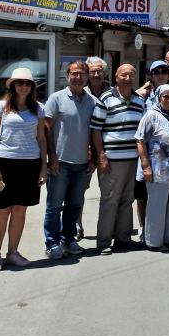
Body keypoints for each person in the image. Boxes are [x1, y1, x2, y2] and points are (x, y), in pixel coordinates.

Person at [0, 68, 48, 272]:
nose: (24, 86)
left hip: (29, 164)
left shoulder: (38, 109)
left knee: (20, 210)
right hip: (5, 164)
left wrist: (43, 167)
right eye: (19, 83)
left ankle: (13, 252)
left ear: (32, 87)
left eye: (27, 83)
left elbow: (41, 139)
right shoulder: (0, 107)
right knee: (2, 211)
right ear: (12, 85)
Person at [43, 60, 97, 260]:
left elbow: (94, 133)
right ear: (67, 76)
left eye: (82, 74)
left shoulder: (92, 101)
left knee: (74, 205)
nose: (78, 77)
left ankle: (69, 239)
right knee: (54, 206)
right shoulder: (56, 99)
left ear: (87, 76)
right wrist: (52, 158)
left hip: (82, 164)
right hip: (60, 162)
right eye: (74, 73)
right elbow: (47, 130)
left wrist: (93, 158)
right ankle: (52, 243)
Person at [91, 64, 145, 255]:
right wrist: (101, 155)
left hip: (133, 159)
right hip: (111, 160)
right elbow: (96, 130)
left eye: (132, 74)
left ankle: (123, 238)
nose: (128, 78)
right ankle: (103, 241)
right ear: (116, 77)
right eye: (124, 75)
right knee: (110, 200)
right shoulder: (105, 98)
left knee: (127, 200)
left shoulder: (140, 100)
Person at [136, 85, 169, 251]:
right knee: (157, 206)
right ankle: (153, 242)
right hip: (157, 171)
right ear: (158, 97)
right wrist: (145, 165)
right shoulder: (151, 115)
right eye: (165, 97)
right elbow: (140, 140)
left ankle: (168, 238)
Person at [133, 60, 169, 239]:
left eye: (164, 71)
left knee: (162, 196)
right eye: (156, 72)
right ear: (151, 75)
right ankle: (143, 227)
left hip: (166, 158)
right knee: (142, 194)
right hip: (145, 153)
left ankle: (159, 227)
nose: (160, 74)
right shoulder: (143, 96)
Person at [78, 56, 108, 240]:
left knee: (108, 191)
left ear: (104, 73)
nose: (96, 74)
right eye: (92, 71)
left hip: (107, 149)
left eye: (99, 71)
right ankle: (77, 225)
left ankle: (106, 228)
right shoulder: (81, 93)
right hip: (83, 149)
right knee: (79, 190)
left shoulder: (113, 92)